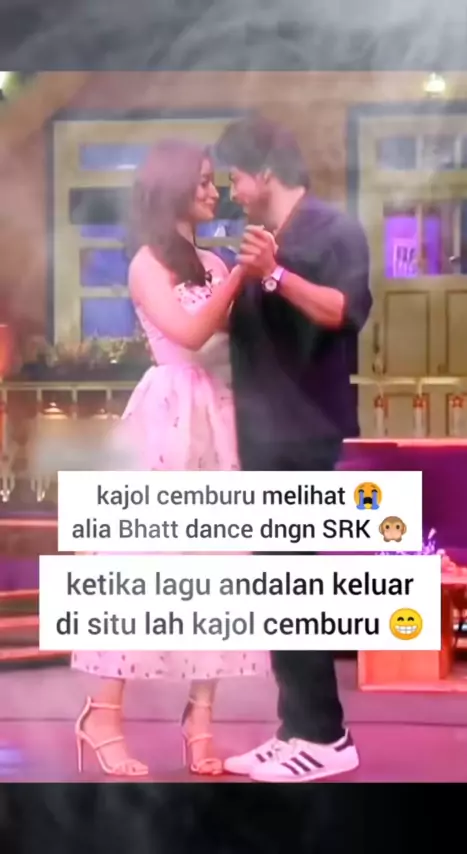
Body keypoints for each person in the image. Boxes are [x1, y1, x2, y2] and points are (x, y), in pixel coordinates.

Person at [72, 139, 270, 778]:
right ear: (174, 187)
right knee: (141, 567)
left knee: (218, 571)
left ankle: (200, 721)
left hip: (216, 413)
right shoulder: (147, 264)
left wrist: (256, 278)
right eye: (204, 181)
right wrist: (238, 277)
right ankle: (102, 715)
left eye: (215, 180)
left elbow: (233, 340)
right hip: (166, 414)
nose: (214, 192)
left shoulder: (212, 260)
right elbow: (186, 334)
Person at [214, 115, 372, 783]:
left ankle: (327, 738)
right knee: (276, 585)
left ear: (265, 172)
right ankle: (295, 729)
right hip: (261, 433)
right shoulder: (258, 241)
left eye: (235, 178)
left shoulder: (333, 228)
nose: (232, 192)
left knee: (293, 582)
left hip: (304, 432)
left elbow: (344, 309)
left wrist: (274, 274)